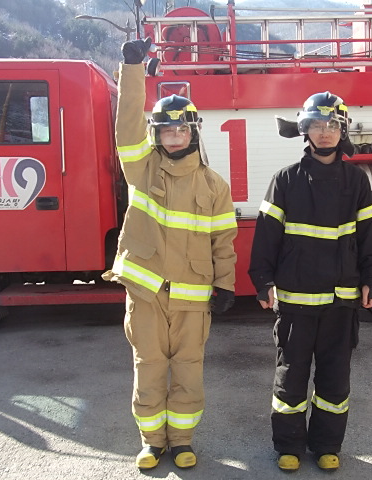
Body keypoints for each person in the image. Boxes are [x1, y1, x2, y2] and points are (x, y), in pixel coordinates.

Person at [102, 38, 237, 471]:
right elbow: (126, 128)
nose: (174, 137)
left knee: (189, 370)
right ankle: (151, 442)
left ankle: (181, 441)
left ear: (193, 132)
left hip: (192, 297)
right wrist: (132, 69)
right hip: (146, 293)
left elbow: (223, 240)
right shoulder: (142, 168)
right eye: (166, 130)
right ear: (156, 134)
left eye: (181, 130)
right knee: (149, 366)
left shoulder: (214, 185)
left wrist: (225, 285)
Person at [248, 92, 372, 472]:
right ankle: (288, 446)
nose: (325, 132)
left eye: (332, 126)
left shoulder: (357, 181)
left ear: (343, 132)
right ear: (304, 130)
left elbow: (368, 237)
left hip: (341, 304)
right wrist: (262, 280)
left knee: (335, 381)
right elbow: (266, 237)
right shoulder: (286, 180)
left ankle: (326, 445)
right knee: (290, 379)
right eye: (317, 125)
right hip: (296, 304)